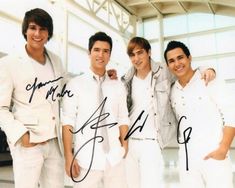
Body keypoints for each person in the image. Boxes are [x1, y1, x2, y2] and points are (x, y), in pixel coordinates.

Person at [121, 37, 216, 188]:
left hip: (152, 142)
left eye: (140, 53)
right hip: (129, 142)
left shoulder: (164, 72)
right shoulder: (126, 79)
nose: (136, 58)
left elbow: (189, 70)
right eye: (132, 55)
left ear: (149, 52)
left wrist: (207, 69)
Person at [0, 8, 66, 188]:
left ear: (49, 33)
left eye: (43, 29)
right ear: (25, 31)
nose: (37, 33)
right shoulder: (9, 63)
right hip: (28, 142)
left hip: (55, 142)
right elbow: (1, 108)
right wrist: (21, 135)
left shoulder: (57, 61)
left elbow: (67, 93)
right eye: (32, 28)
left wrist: (105, 76)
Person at [62, 31, 129, 188]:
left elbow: (123, 118)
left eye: (106, 51)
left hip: (114, 158)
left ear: (110, 55)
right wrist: (68, 156)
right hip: (86, 160)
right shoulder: (75, 84)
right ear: (89, 52)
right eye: (97, 50)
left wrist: (124, 146)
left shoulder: (117, 85)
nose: (101, 55)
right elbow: (67, 122)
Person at [164, 40, 235, 188]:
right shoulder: (172, 91)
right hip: (187, 161)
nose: (177, 63)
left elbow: (231, 114)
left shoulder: (208, 79)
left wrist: (223, 149)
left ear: (189, 58)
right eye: (171, 61)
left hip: (214, 157)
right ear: (168, 66)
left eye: (180, 57)